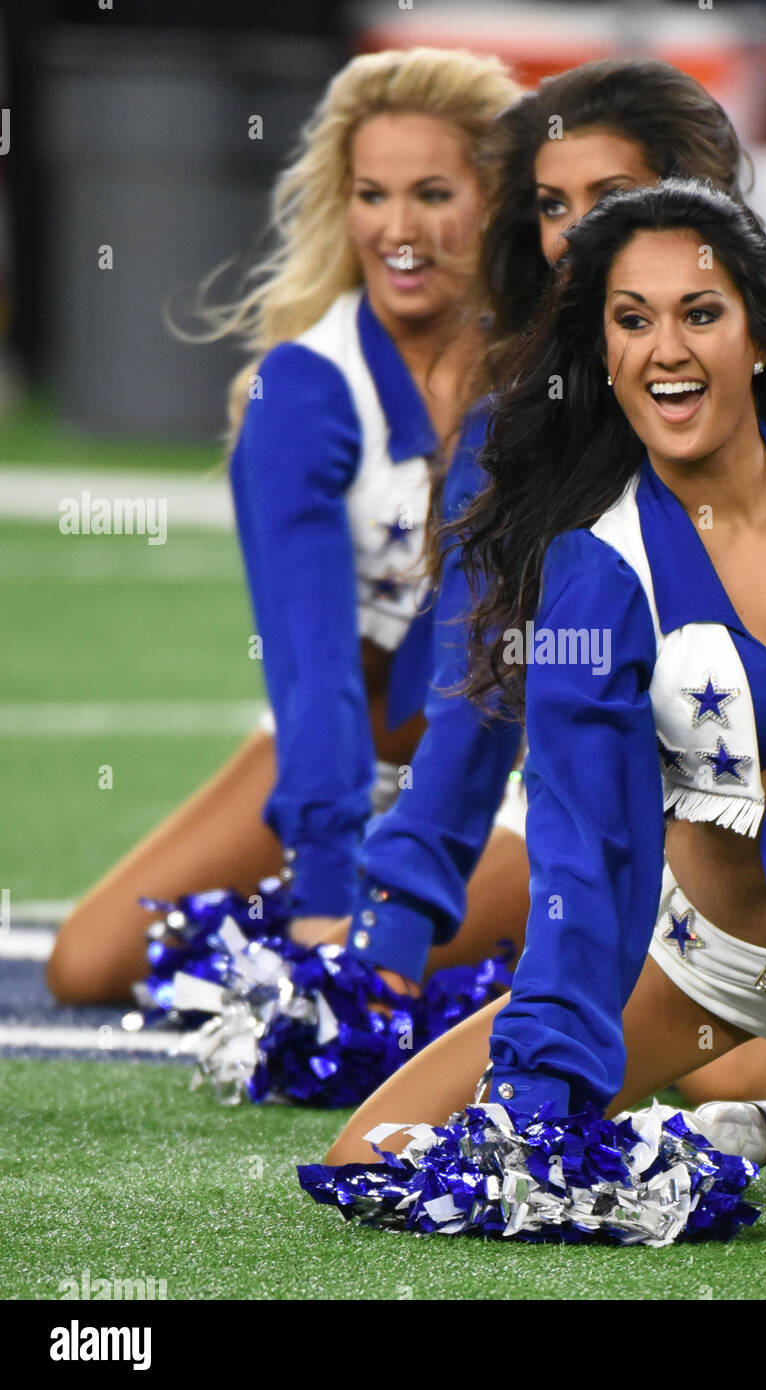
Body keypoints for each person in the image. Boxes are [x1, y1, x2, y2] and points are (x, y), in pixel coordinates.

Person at [316, 180, 766, 1239]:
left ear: (758, 332)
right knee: (382, 1159)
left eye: (700, 312)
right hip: (708, 965)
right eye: (631, 318)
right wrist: (541, 1087)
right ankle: (734, 1108)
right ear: (602, 354)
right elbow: (587, 852)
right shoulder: (599, 575)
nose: (667, 349)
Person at [333, 59, 766, 1109]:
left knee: (755, 1059)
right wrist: (388, 941)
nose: (570, 234)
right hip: (589, 807)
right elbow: (480, 684)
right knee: (386, 1125)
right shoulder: (511, 420)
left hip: (764, 837)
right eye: (550, 205)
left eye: (605, 201)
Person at [45, 48, 523, 1006]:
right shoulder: (304, 388)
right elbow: (309, 664)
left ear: (496, 200)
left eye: (432, 194)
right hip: (354, 735)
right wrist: (319, 886)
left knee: (379, 960)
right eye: (371, 195)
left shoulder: (553, 367)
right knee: (91, 961)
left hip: (523, 745)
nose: (398, 230)